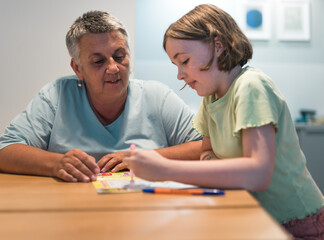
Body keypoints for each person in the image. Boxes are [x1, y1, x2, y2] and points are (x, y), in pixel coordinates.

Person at [123, 4, 324, 239]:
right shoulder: (211, 97)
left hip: (298, 222)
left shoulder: (250, 86)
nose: (179, 74)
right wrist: (220, 164)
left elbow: (258, 173)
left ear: (217, 46)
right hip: (256, 215)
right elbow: (206, 152)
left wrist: (164, 169)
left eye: (184, 61)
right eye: (175, 65)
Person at [0, 11, 202, 183]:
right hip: (71, 208)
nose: (113, 68)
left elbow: (205, 147)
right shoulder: (56, 97)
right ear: (77, 68)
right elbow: (5, 150)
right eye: (98, 61)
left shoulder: (157, 97)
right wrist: (56, 164)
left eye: (120, 56)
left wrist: (144, 158)